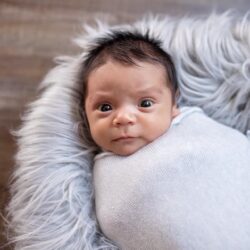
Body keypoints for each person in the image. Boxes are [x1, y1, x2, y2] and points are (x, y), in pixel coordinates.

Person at [81, 31, 181, 156]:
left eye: (146, 103)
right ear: (85, 114)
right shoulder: (86, 167)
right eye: (105, 107)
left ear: (174, 105)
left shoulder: (189, 130)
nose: (123, 118)